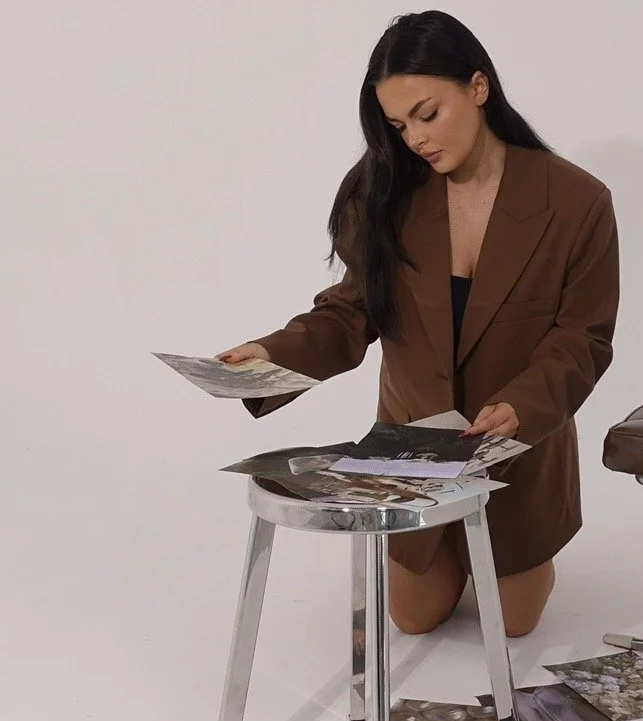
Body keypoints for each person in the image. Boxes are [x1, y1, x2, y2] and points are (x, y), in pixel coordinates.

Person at [216, 11, 620, 638]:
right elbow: (352, 312)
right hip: (412, 445)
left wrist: (526, 403)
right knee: (412, 619)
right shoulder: (382, 195)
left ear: (478, 87)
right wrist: (270, 355)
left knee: (511, 625)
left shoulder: (577, 201)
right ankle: (445, 545)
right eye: (399, 125)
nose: (415, 140)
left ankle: (517, 553)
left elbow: (584, 336)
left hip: (515, 444)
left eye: (428, 114)